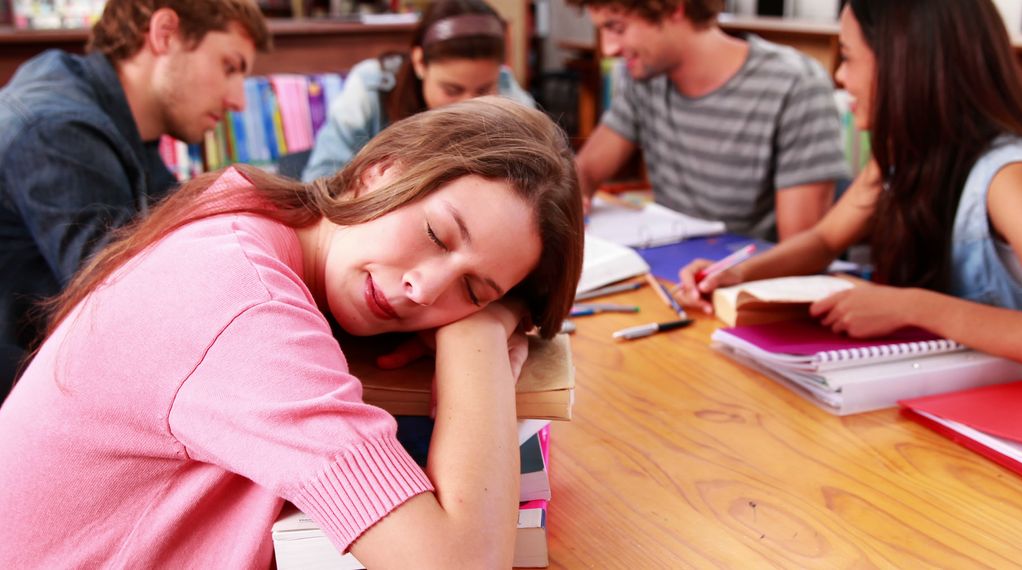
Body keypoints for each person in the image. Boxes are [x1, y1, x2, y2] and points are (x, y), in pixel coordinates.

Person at [0, 97, 584, 567]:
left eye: (474, 288)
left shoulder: (251, 209)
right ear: (385, 169)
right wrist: (476, 333)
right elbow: (459, 564)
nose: (426, 291)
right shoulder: (243, 303)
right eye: (437, 235)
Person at [677, 0, 1022, 381]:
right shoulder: (906, 154)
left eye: (849, 57)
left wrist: (914, 306)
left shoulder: (1011, 179)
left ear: (905, 63)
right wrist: (737, 274)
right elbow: (824, 239)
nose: (839, 76)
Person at [0, 0, 270, 400]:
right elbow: (129, 307)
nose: (238, 101)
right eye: (229, 67)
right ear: (164, 33)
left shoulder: (120, 121)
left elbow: (182, 240)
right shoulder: (60, 130)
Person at [569, 0, 849, 241]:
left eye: (617, 28)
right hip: (672, 270)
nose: (608, 49)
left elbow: (801, 252)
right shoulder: (644, 78)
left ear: (675, 8)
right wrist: (571, 192)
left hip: (743, 286)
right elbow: (586, 171)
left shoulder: (795, 85)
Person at [301, 0, 534, 182]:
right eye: (452, 90)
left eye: (483, 90)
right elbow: (319, 181)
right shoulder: (370, 86)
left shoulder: (507, 92)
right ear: (420, 62)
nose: (469, 106)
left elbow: (546, 172)